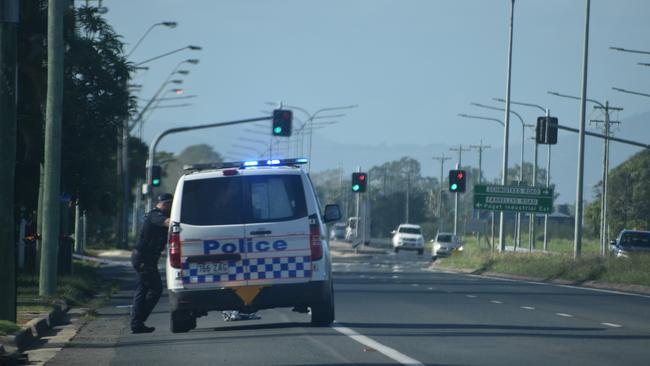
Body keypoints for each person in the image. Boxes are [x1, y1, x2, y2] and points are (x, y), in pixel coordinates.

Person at [130, 193, 173, 334]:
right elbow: (168, 223)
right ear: (165, 204)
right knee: (156, 289)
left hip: (147, 259)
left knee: (142, 290)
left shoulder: (158, 214)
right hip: (143, 258)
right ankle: (138, 320)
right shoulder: (155, 215)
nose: (172, 207)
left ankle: (137, 323)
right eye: (171, 204)